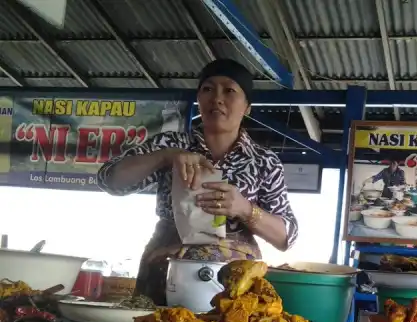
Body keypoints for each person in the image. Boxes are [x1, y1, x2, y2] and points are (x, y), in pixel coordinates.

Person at [96, 59, 298, 305]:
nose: (217, 98)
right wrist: (165, 157)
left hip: (234, 284)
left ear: (247, 107)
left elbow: (286, 238)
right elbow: (109, 180)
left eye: (230, 90)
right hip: (165, 271)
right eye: (208, 89)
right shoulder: (170, 144)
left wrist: (244, 209)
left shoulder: (264, 161)